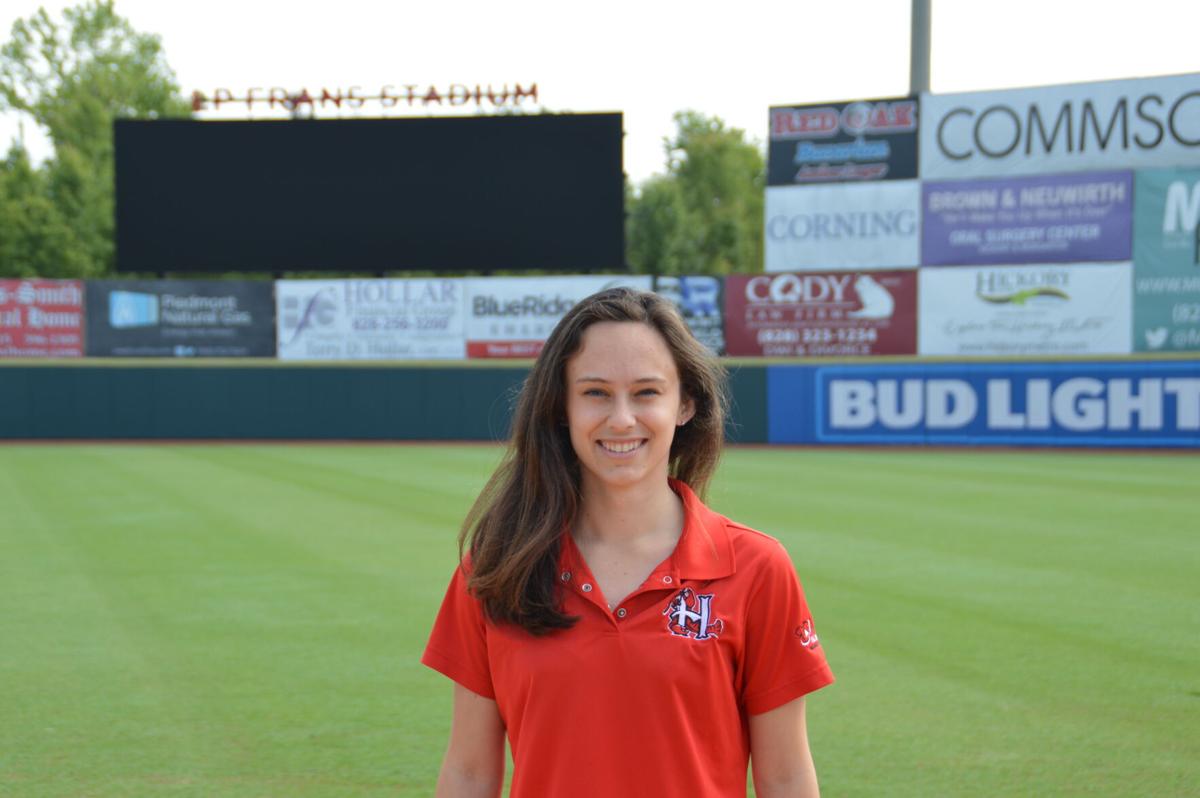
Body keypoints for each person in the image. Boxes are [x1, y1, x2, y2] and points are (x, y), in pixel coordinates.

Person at [422, 287, 834, 797]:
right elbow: (469, 772)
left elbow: (786, 776)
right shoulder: (497, 566)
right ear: (561, 407)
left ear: (684, 404)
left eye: (646, 392)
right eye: (595, 392)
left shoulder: (756, 567)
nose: (621, 419)